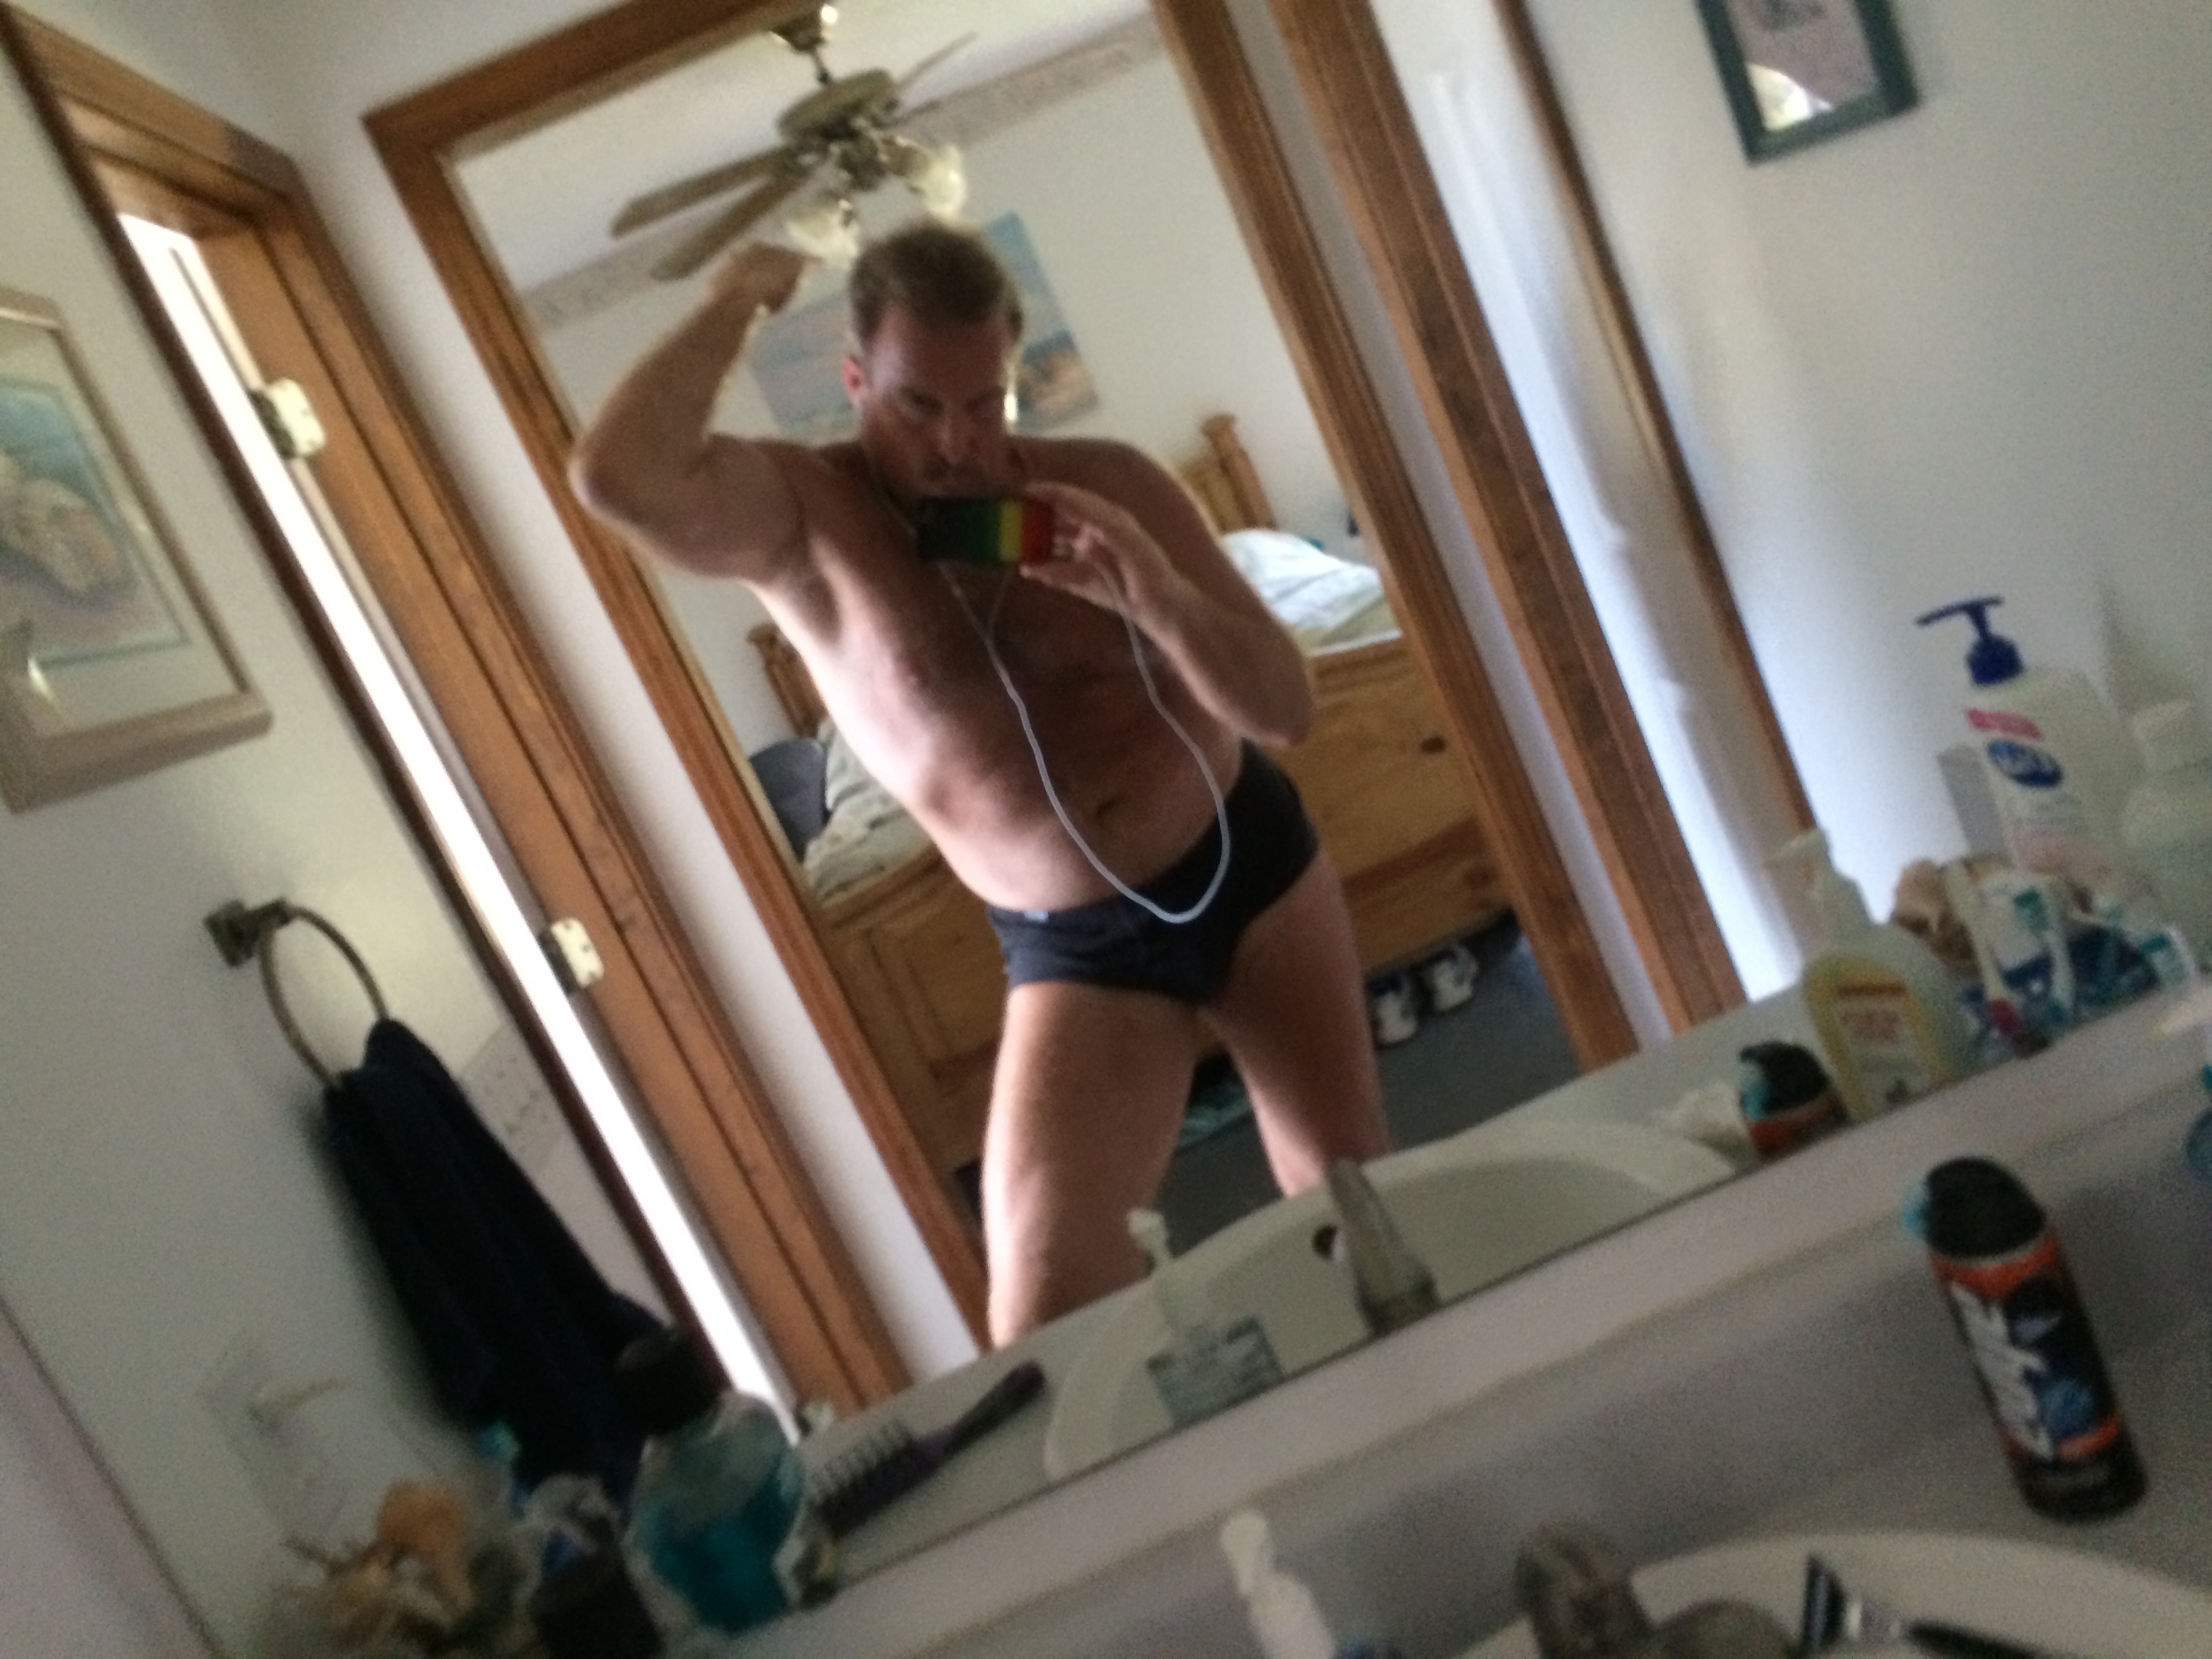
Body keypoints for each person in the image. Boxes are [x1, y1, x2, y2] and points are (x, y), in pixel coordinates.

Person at [570, 222, 1388, 1343]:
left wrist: (1153, 598)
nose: (958, 445)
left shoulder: (1110, 483)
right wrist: (734, 300)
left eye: (985, 403)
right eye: (918, 406)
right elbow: (616, 478)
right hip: (1081, 949)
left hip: (1250, 867)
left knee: (1356, 1195)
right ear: (856, 381)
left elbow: (1285, 710)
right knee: (1047, 1316)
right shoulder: (805, 523)